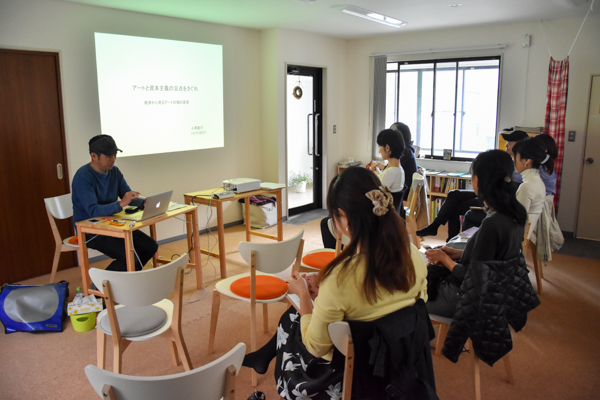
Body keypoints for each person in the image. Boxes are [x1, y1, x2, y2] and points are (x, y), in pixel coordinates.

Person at [243, 167, 429, 399]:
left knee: (292, 319)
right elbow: (417, 304)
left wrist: (304, 294)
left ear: (344, 218)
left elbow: (316, 347)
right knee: (294, 317)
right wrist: (327, 294)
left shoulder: (340, 279)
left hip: (354, 371)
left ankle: (287, 382)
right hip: (400, 363)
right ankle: (263, 356)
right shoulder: (414, 256)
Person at [424, 150, 528, 318]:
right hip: (498, 292)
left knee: (408, 295)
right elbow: (494, 258)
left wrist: (445, 260)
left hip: (467, 299)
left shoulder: (492, 223)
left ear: (477, 180)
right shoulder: (516, 213)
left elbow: (473, 278)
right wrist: (459, 253)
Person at [417, 130, 529, 241]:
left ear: (518, 144)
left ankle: (450, 239)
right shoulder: (510, 161)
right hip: (489, 190)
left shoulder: (521, 166)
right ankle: (435, 226)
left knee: (454, 207)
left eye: (509, 142)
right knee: (453, 194)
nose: (506, 145)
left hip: (495, 196)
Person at [72, 134, 158, 272]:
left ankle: (125, 280)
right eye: (109, 156)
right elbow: (93, 211)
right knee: (130, 256)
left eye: (115, 155)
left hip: (112, 223)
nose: (113, 159)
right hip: (90, 230)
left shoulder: (114, 172)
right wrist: (120, 204)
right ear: (94, 156)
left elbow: (127, 196)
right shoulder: (83, 176)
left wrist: (143, 203)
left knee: (150, 246)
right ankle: (100, 284)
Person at [512, 136, 549, 232]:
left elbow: (517, 221)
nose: (513, 160)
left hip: (519, 237)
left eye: (515, 157)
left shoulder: (526, 187)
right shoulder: (538, 182)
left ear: (526, 161)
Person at [390, 122, 418, 200]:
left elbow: (392, 169)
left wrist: (378, 165)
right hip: (402, 188)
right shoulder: (407, 149)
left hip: (402, 192)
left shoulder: (404, 151)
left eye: (393, 131)